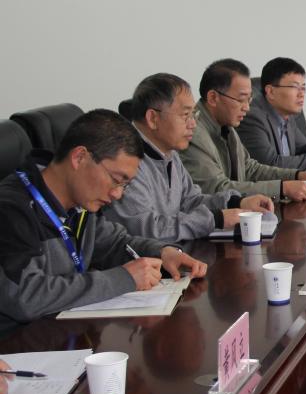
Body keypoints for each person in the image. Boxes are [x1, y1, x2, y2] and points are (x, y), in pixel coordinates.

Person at [0, 110, 207, 333]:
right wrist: (124, 278)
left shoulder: (79, 204)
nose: (117, 194)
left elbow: (114, 243)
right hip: (19, 344)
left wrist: (163, 253)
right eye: (116, 180)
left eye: (125, 185)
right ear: (79, 157)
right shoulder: (12, 208)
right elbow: (25, 297)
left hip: (66, 332)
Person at [105, 73, 274, 242]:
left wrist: (237, 203)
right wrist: (216, 219)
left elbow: (190, 201)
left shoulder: (169, 153)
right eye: (186, 115)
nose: (193, 124)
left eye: (194, 115)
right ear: (153, 118)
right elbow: (148, 229)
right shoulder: (125, 162)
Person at [180, 59, 306, 202]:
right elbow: (217, 188)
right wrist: (282, 188)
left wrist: (297, 175)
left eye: (249, 99)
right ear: (213, 98)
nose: (247, 108)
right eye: (241, 99)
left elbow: (249, 168)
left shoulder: (226, 125)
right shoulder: (192, 132)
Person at [237, 57, 306, 170]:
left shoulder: (286, 115)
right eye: (295, 87)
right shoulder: (252, 117)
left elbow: (303, 147)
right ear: (271, 91)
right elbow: (268, 164)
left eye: (303, 87)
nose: (301, 94)